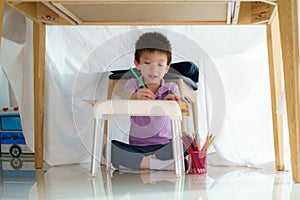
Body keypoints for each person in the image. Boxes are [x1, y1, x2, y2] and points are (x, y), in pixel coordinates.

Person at [110, 32, 188, 171]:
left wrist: (177, 103)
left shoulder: (171, 88)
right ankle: (160, 166)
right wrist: (134, 97)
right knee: (110, 149)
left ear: (167, 68)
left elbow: (183, 108)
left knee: (187, 143)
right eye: (147, 63)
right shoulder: (133, 84)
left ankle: (145, 164)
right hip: (138, 148)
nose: (154, 69)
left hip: (164, 147)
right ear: (137, 64)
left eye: (160, 65)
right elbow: (125, 97)